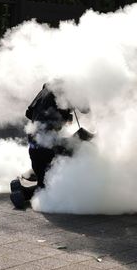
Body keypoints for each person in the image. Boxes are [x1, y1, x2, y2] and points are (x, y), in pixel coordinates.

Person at [10, 80, 92, 209]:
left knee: (44, 174)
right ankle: (23, 191)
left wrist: (62, 117)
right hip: (47, 149)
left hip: (34, 146)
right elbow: (85, 108)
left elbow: (29, 114)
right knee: (47, 189)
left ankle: (26, 179)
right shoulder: (70, 91)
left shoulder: (46, 90)